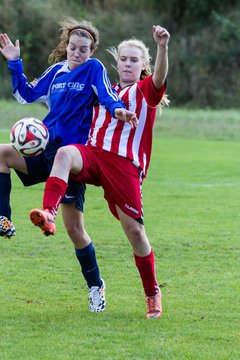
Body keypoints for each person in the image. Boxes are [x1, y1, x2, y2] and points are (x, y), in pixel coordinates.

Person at [30, 24, 169, 319]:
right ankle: (48, 212)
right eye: (124, 59)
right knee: (66, 154)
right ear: (116, 62)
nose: (128, 64)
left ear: (142, 65)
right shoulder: (104, 89)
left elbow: (159, 78)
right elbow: (69, 100)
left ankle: (152, 292)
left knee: (135, 232)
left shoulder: (143, 91)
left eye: (134, 60)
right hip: (93, 155)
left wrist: (162, 47)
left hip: (124, 166)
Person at [0, 17, 137, 313]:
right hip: (44, 149)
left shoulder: (94, 69)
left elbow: (107, 97)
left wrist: (120, 111)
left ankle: (95, 286)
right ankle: (4, 220)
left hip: (72, 155)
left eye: (84, 49)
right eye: (74, 48)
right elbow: (25, 95)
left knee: (75, 230)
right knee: (2, 153)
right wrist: (15, 62)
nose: (78, 53)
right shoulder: (55, 72)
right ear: (67, 47)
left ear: (92, 51)